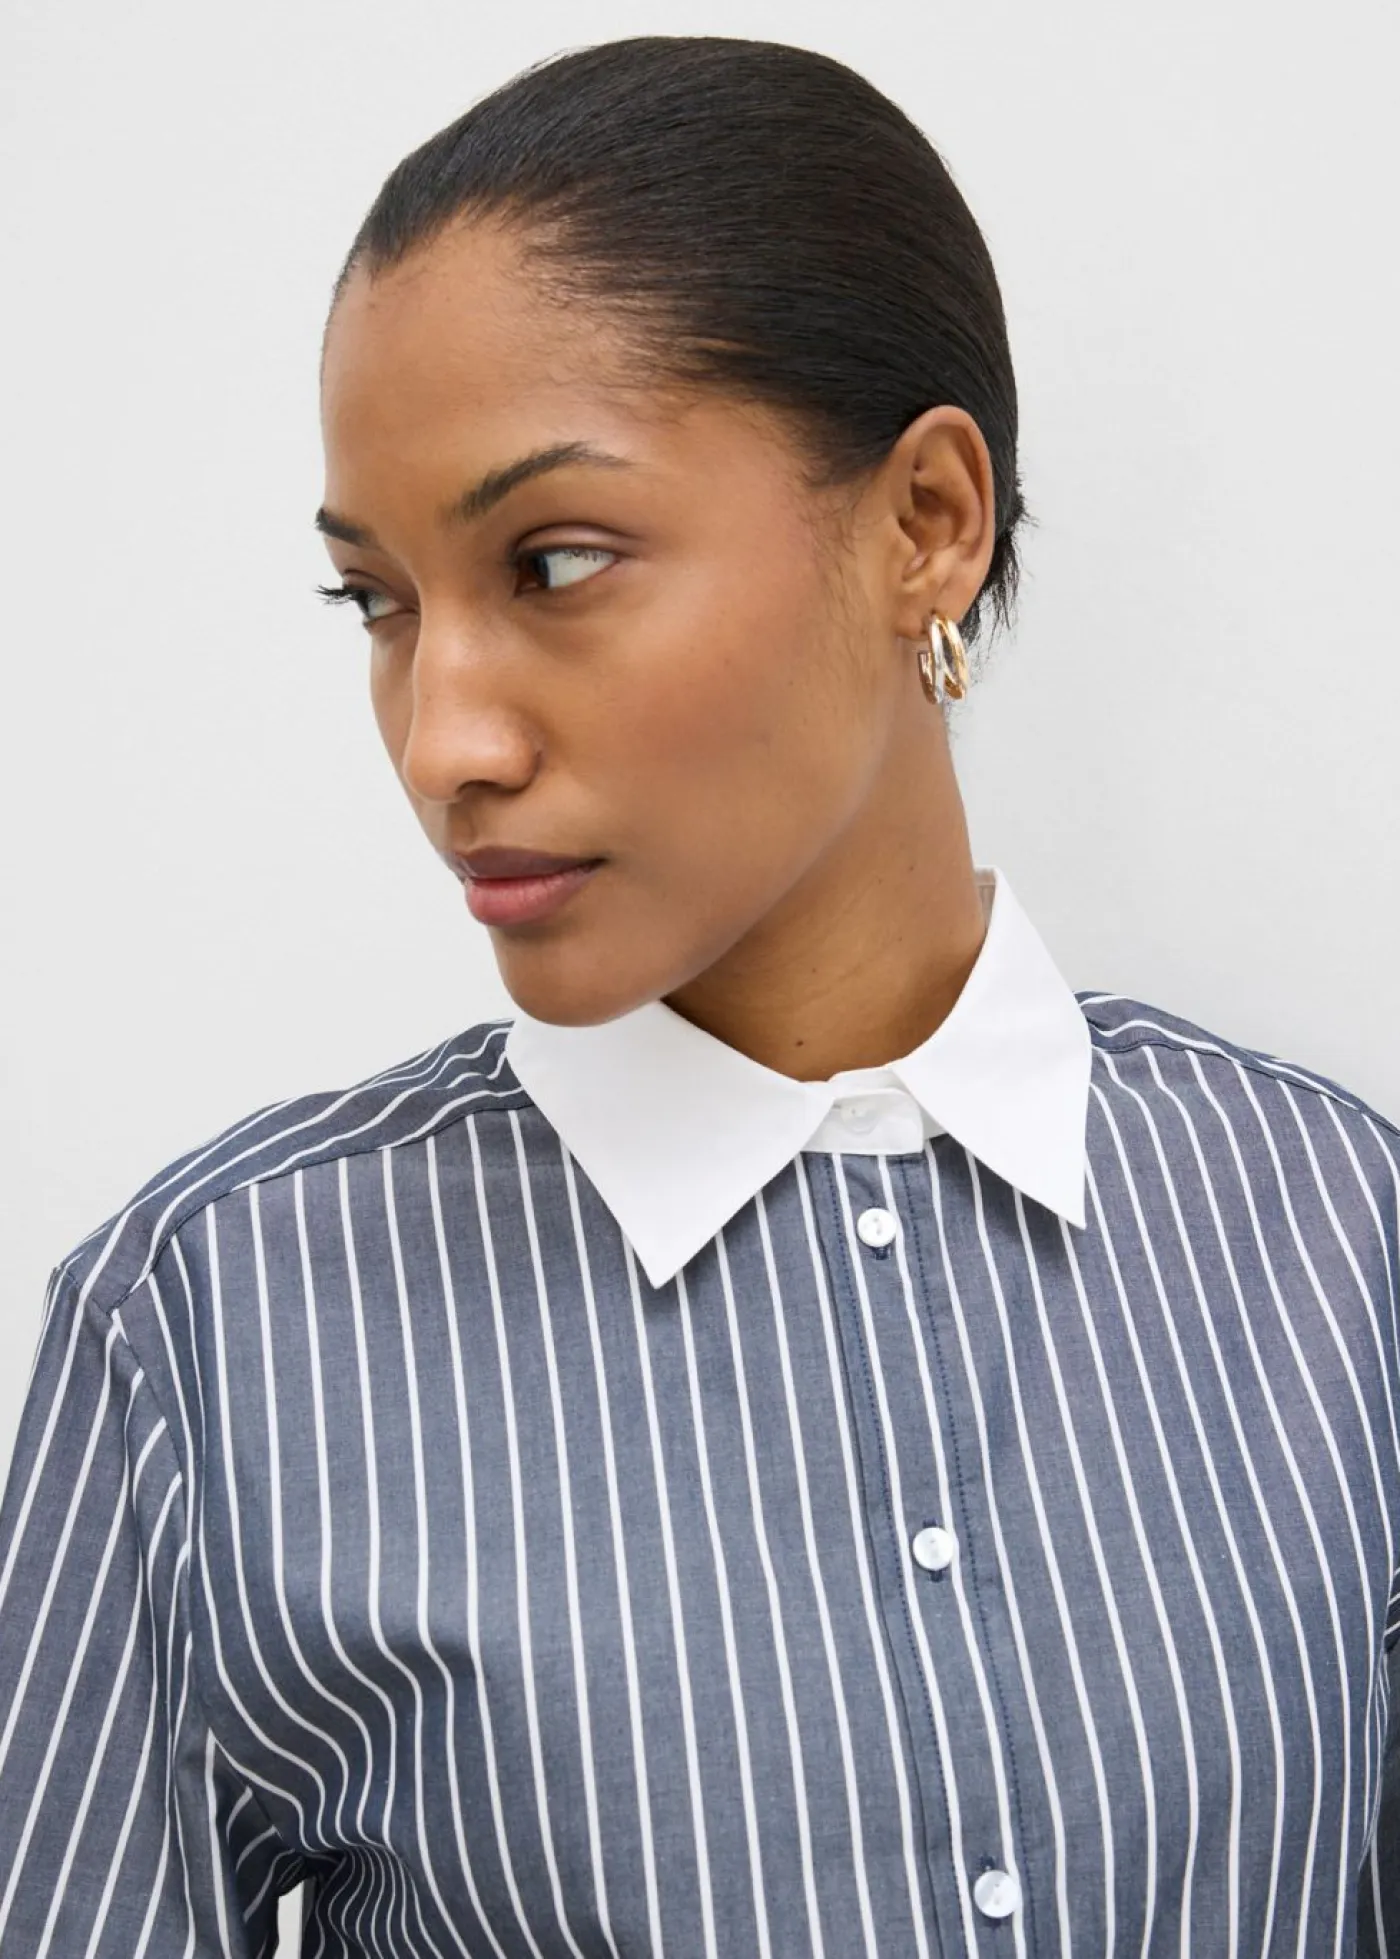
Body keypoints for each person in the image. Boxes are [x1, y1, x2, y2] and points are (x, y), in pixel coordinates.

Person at [1, 31, 1397, 1959]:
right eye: (379, 602)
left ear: (928, 522)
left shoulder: (1340, 1242)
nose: (442, 742)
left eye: (555, 560)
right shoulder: (204, 1337)